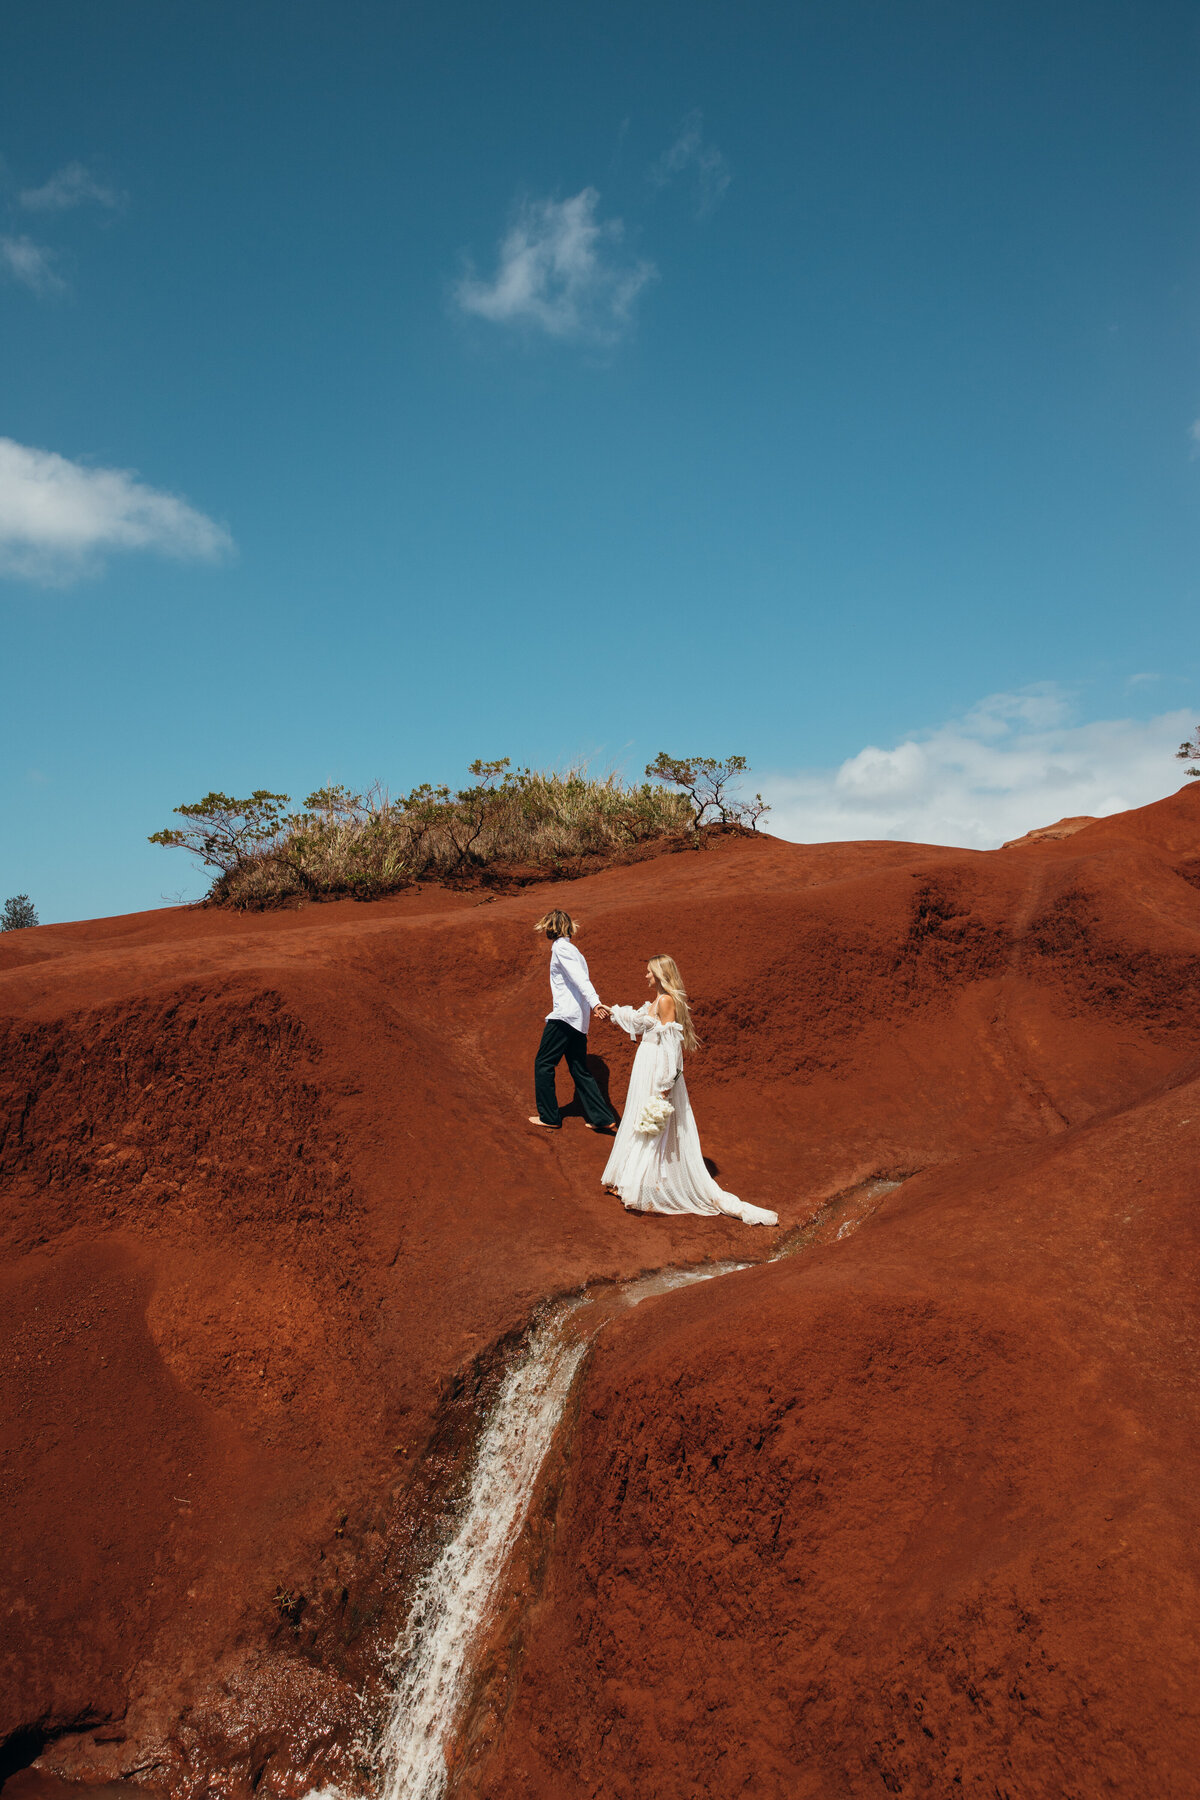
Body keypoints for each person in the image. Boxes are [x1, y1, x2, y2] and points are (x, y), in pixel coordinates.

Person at [600, 955, 777, 1225]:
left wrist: (665, 1084)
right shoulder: (656, 1002)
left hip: (656, 1069)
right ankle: (630, 1180)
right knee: (642, 1120)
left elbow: (672, 1044)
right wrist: (610, 1011)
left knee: (653, 1124)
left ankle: (636, 1185)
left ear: (659, 974)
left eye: (649, 972)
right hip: (645, 1068)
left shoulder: (667, 1000)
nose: (646, 976)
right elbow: (636, 1020)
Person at [529, 910, 619, 1133]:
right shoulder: (573, 950)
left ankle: (549, 1116)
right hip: (578, 1021)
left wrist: (595, 1002)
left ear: (551, 928)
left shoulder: (562, 948)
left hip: (565, 1017)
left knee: (543, 1064)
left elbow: (581, 979)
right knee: (579, 1068)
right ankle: (602, 1118)